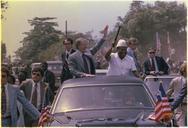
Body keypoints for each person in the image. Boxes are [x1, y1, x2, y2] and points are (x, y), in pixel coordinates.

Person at [167, 62, 187, 126]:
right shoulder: (175, 81)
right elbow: (168, 94)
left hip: (180, 106)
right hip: (179, 107)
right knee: (181, 123)